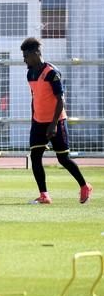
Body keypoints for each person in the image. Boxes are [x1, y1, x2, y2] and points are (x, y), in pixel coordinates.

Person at [21, 37, 93, 204]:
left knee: (63, 159)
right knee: (35, 156)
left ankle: (84, 186)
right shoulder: (30, 73)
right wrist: (34, 119)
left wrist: (53, 125)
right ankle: (44, 195)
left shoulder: (52, 73)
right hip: (38, 122)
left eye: (26, 55)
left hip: (56, 122)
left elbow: (61, 100)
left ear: (36, 53)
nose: (24, 59)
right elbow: (35, 98)